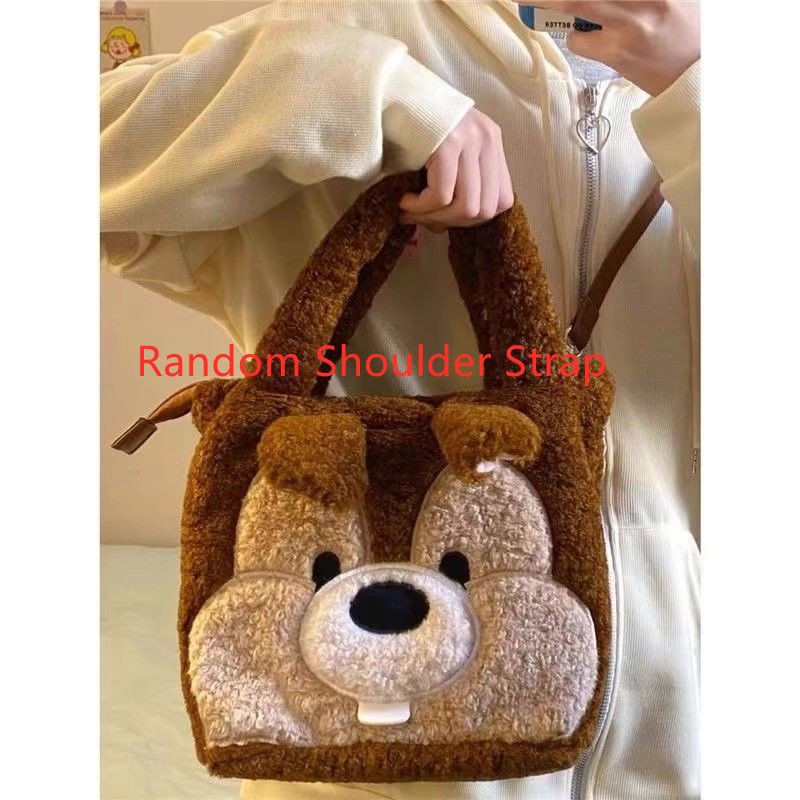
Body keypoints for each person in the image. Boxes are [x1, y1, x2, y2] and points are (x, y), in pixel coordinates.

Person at [100, 1, 700, 798]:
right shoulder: (357, 27)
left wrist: (703, 98)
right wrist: (372, 91)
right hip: (374, 764)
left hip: (683, 737)